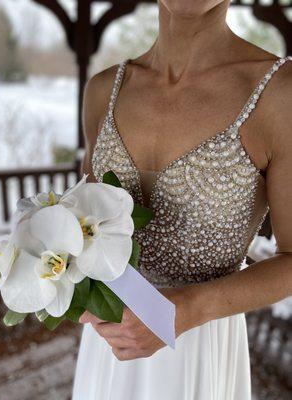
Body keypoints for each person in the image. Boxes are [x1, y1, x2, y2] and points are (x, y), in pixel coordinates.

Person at [72, 1, 292, 399]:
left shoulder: (282, 94)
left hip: (199, 351)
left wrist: (185, 310)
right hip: (107, 348)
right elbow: (81, 230)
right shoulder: (103, 90)